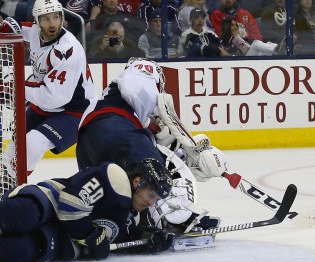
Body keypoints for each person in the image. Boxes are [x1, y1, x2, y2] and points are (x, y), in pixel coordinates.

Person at [0, 159, 174, 262]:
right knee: (25, 214)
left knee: (24, 250)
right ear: (138, 181)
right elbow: (71, 205)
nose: (151, 203)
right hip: (52, 202)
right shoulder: (114, 177)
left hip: (61, 239)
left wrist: (150, 244)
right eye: (151, 195)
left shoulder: (135, 218)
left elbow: (117, 243)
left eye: (157, 200)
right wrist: (90, 238)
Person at [76, 57, 225, 246]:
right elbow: (140, 89)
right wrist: (193, 148)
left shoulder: (129, 109)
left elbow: (163, 145)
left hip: (90, 149)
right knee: (155, 169)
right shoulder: (140, 75)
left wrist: (187, 156)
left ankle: (136, 224)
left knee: (123, 194)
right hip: (114, 128)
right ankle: (179, 217)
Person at [0, 0, 96, 177]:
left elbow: (54, 97)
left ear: (62, 18)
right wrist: (9, 25)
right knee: (18, 136)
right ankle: (2, 175)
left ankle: (12, 182)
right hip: (47, 106)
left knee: (33, 142)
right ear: (37, 22)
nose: (52, 23)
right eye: (46, 19)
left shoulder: (67, 49)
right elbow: (19, 28)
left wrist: (15, 87)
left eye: (56, 17)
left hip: (76, 110)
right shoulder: (35, 32)